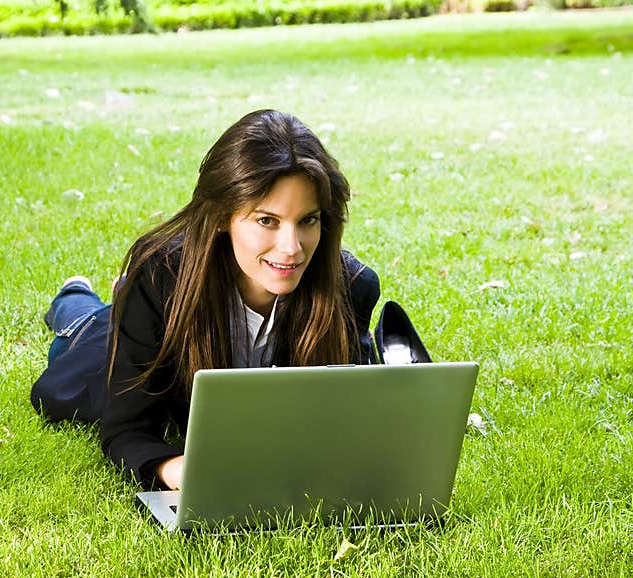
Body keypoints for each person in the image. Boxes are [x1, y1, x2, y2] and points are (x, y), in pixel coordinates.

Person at [31, 109, 381, 492]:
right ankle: (76, 297)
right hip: (137, 330)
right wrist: (180, 470)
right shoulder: (161, 279)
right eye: (267, 220)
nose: (292, 248)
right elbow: (126, 430)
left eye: (307, 220)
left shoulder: (352, 287)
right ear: (220, 217)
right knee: (69, 376)